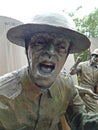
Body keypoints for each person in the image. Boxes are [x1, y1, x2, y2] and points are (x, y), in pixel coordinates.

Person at [0, 12, 98, 130]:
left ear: (67, 55)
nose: (50, 52)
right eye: (40, 42)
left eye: (61, 47)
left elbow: (80, 119)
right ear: (27, 48)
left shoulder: (66, 85)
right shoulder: (3, 94)